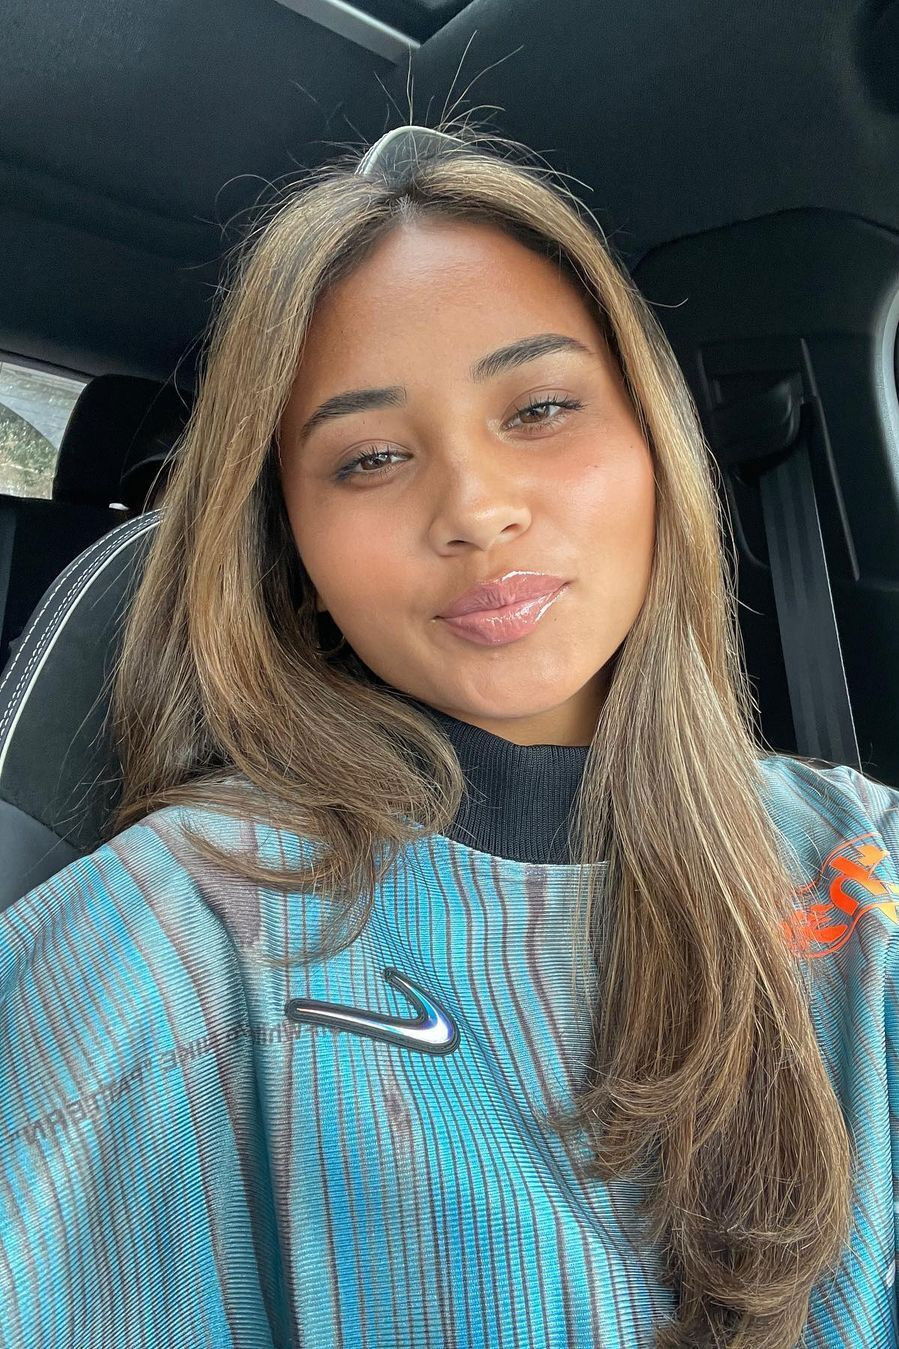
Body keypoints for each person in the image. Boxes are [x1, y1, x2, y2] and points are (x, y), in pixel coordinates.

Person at [0, 121, 897, 1349]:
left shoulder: (860, 850)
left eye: (539, 406)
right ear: (292, 544)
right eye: (369, 457)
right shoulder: (174, 930)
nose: (473, 508)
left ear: (652, 442)